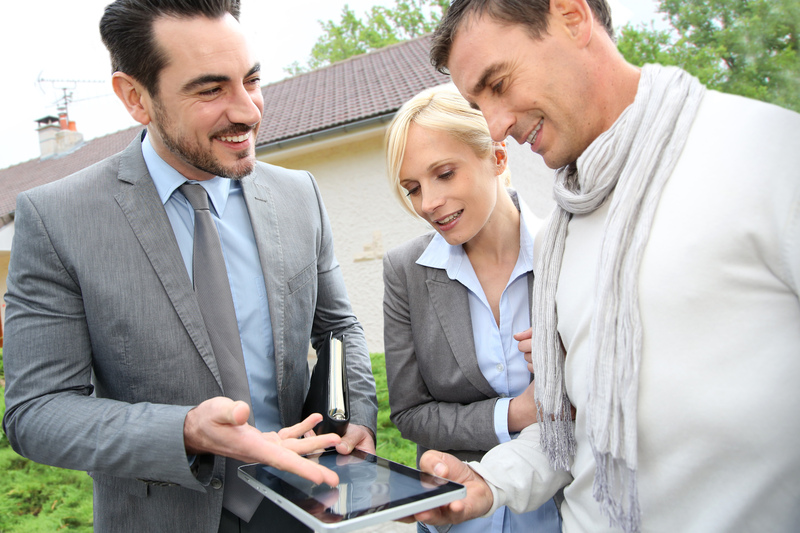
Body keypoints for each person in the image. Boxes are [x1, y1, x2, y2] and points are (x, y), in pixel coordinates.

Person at [408, 1, 800, 532]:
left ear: (571, 17)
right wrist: (490, 482)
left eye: (497, 84)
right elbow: (580, 428)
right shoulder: (566, 227)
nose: (495, 128)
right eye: (478, 107)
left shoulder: (768, 154)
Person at [2, 1, 378, 532]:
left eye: (251, 80)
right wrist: (184, 430)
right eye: (210, 90)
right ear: (136, 98)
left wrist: (357, 415)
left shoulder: (299, 194)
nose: (248, 111)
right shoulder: (57, 217)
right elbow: (35, 412)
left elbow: (339, 327)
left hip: (303, 506)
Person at [382, 84, 561, 533]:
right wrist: (516, 413)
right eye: (413, 188)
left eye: (444, 174)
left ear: (498, 157)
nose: (428, 203)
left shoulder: (567, 253)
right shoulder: (406, 271)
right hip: (458, 521)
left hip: (559, 517)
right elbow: (409, 414)